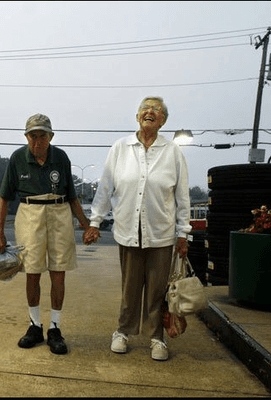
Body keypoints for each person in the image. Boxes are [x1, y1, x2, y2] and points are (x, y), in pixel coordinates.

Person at [83, 96, 191, 361]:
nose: (150, 112)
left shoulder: (173, 152)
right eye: (145, 108)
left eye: (156, 110)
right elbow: (106, 187)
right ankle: (123, 332)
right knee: (130, 287)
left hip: (161, 232)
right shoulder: (121, 148)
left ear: (163, 120)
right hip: (128, 230)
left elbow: (182, 196)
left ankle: (157, 338)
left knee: (156, 289)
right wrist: (95, 222)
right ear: (137, 117)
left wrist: (183, 232)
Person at [0, 113, 94, 355]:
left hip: (59, 213)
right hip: (30, 214)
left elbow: (71, 195)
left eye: (42, 136)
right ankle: (34, 325)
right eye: (33, 136)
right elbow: (4, 197)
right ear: (26, 137)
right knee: (32, 272)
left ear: (51, 136)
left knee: (59, 272)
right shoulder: (18, 158)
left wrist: (85, 224)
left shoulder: (60, 157)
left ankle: (55, 328)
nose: (37, 141)